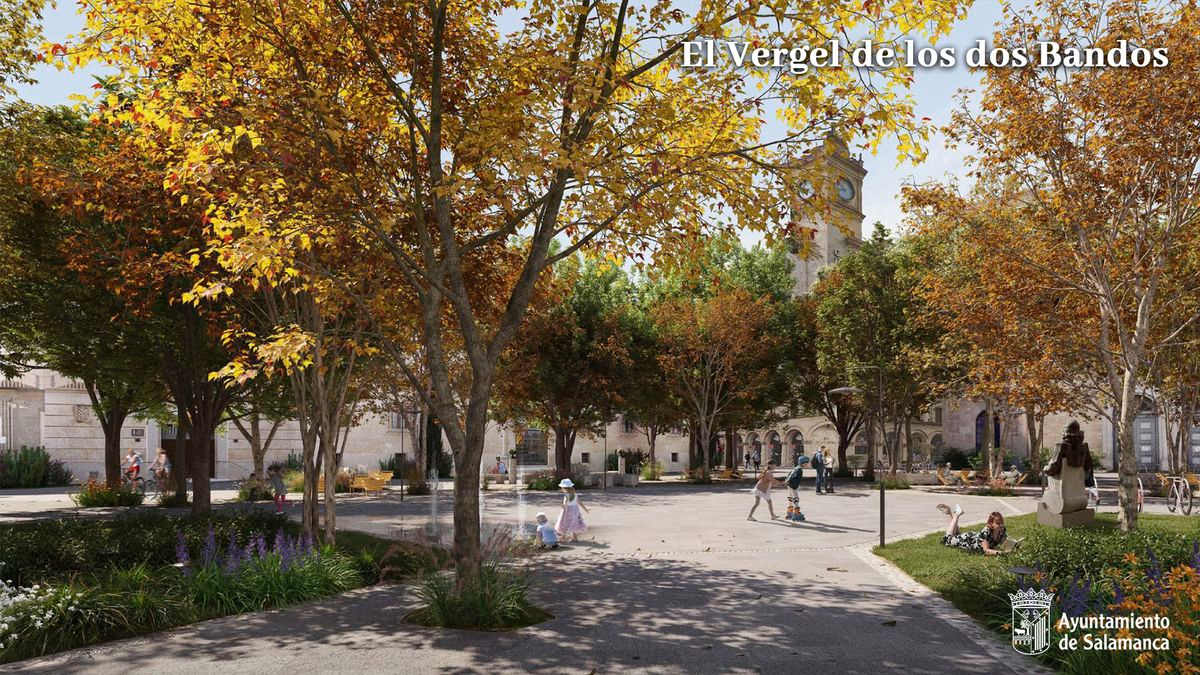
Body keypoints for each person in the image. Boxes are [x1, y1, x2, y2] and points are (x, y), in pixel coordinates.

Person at [937, 504, 1011, 555]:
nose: (1001, 525)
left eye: (1002, 522)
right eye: (998, 523)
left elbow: (1003, 542)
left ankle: (949, 513)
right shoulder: (986, 532)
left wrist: (1014, 546)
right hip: (968, 540)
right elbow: (985, 550)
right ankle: (956, 514)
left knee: (955, 535)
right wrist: (1001, 553)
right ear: (991, 523)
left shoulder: (1002, 530)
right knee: (946, 540)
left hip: (973, 537)